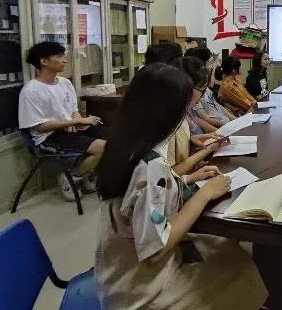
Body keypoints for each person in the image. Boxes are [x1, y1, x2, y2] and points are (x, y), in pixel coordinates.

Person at [95, 63, 268, 309]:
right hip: (142, 291)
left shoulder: (123, 146)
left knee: (225, 250)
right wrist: (205, 193)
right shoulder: (150, 165)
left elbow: (139, 199)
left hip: (116, 273)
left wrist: (187, 179)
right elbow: (155, 251)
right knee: (238, 267)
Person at [18, 42, 106, 199]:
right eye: (59, 56)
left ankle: (86, 173)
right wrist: (75, 122)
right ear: (44, 61)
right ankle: (73, 176)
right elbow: (39, 127)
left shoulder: (65, 83)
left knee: (113, 136)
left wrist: (78, 121)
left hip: (69, 129)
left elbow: (74, 111)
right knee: (104, 148)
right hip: (49, 137)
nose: (64, 60)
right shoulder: (30, 91)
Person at [185, 47, 235, 127]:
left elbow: (218, 105)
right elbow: (205, 120)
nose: (211, 65)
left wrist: (236, 120)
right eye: (209, 62)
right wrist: (230, 125)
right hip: (221, 127)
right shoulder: (196, 93)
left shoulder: (205, 89)